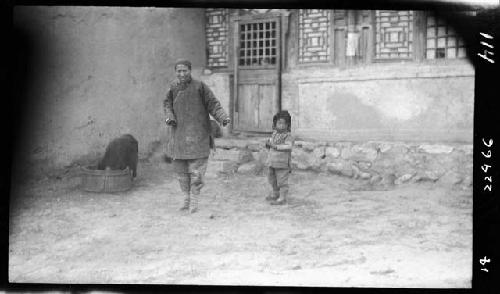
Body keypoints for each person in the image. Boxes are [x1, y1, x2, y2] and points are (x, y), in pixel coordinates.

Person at [163, 59, 230, 213]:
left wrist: (222, 117)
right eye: (178, 71)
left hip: (198, 136)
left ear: (190, 70)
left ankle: (194, 201)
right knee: (181, 172)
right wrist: (170, 117)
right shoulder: (172, 88)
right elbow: (167, 105)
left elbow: (213, 104)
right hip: (179, 136)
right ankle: (185, 198)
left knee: (197, 172)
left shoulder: (200, 87)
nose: (181, 74)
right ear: (175, 72)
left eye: (184, 70)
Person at [265, 110, 293, 205]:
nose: (281, 125)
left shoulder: (288, 136)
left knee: (282, 181)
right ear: (275, 124)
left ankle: (282, 198)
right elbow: (271, 142)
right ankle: (275, 193)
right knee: (272, 179)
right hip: (272, 162)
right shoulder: (275, 134)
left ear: (288, 125)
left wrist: (276, 146)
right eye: (279, 123)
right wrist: (268, 144)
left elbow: (289, 146)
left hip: (282, 164)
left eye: (283, 124)